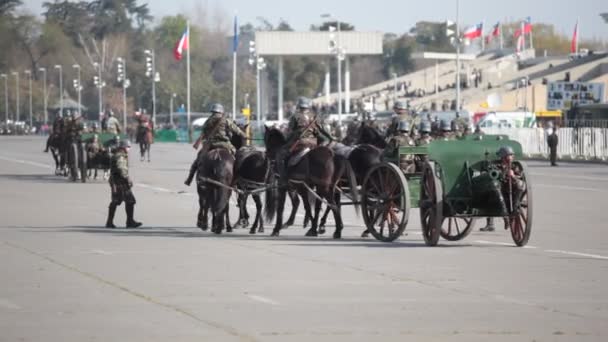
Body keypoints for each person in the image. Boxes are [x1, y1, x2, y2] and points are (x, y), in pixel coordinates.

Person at [184, 103, 246, 186]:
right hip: (224, 144)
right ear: (221, 112)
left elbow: (204, 133)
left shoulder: (208, 121)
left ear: (213, 111)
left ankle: (189, 179)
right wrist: (244, 135)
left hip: (210, 144)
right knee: (237, 156)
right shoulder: (226, 120)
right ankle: (238, 179)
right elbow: (236, 130)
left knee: (197, 161)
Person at [276, 96, 333, 185]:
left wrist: (286, 141)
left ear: (299, 106)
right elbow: (324, 129)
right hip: (314, 142)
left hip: (300, 142)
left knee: (280, 155)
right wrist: (331, 137)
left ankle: (283, 178)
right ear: (307, 106)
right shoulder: (314, 116)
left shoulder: (295, 116)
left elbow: (290, 132)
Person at [106, 139, 142, 228]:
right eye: (128, 147)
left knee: (116, 201)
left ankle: (110, 222)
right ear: (123, 147)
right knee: (130, 200)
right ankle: (129, 222)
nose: (129, 149)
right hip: (120, 181)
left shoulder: (118, 154)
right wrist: (127, 178)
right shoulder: (120, 156)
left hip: (116, 181)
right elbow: (121, 168)